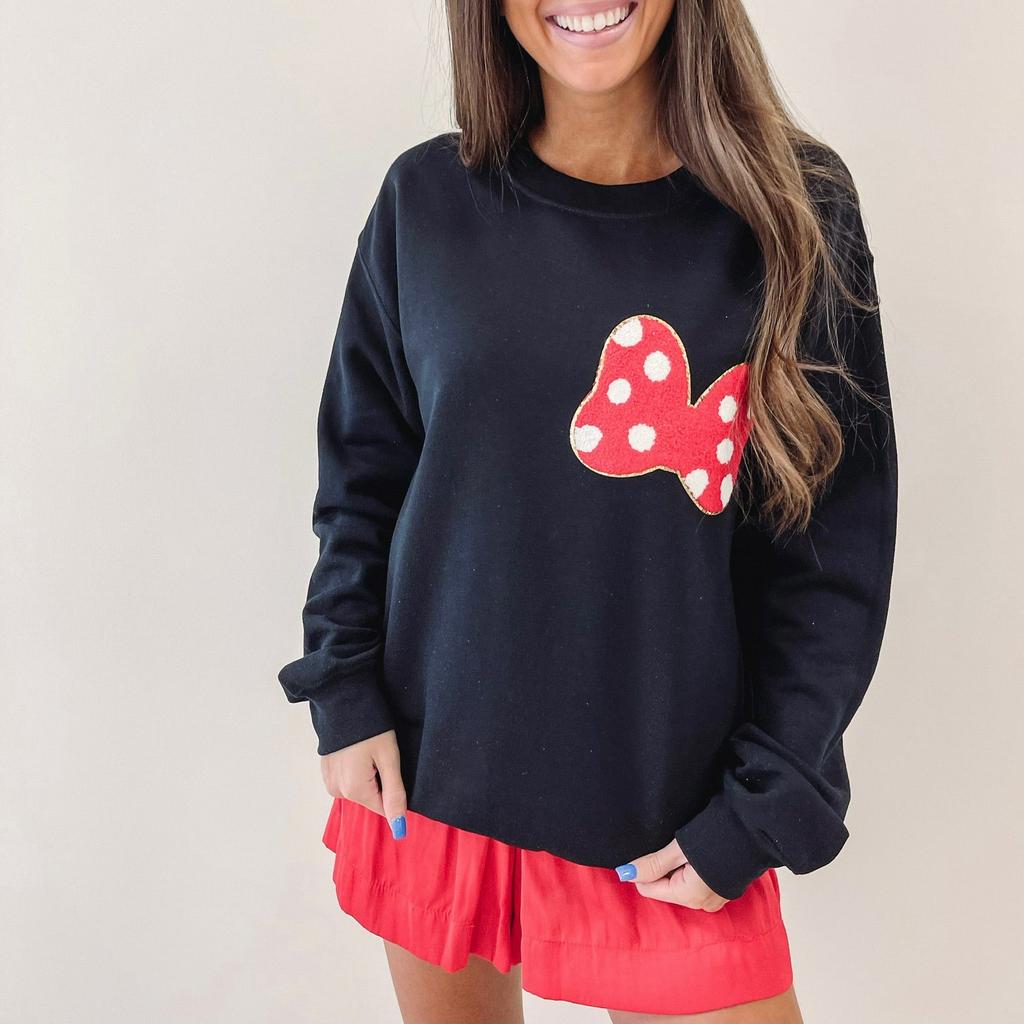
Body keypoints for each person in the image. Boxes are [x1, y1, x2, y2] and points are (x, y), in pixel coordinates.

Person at [277, 1, 898, 1020]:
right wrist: (343, 691)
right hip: (431, 787)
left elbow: (832, 555)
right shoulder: (424, 202)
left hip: (672, 816)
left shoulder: (796, 210)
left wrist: (766, 800)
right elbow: (363, 475)